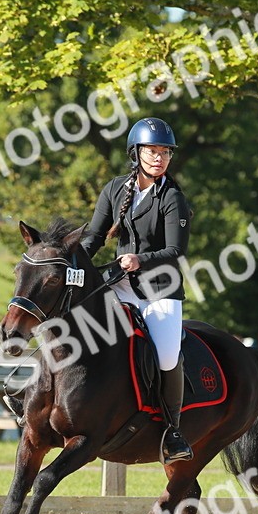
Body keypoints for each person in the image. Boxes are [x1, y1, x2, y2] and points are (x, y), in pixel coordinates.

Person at [84, 117, 194, 463]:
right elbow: (95, 236)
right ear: (136, 153)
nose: (160, 158)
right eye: (152, 151)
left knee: (164, 355)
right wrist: (76, 262)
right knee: (82, 326)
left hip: (159, 291)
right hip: (118, 286)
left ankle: (173, 432)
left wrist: (139, 259)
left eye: (165, 152)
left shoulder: (172, 197)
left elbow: (175, 251)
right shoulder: (115, 188)